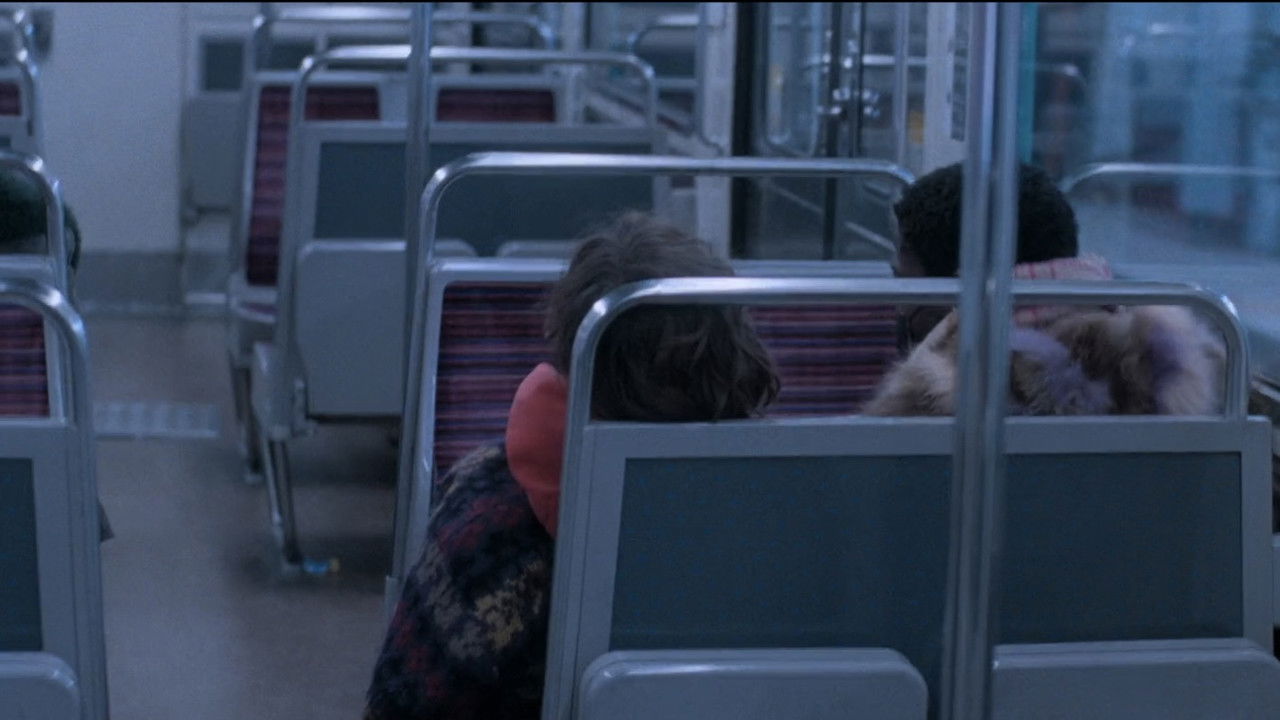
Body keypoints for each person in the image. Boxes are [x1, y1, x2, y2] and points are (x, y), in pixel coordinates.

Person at [363, 213, 780, 720]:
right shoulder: (782, 517)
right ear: (738, 358)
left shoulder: (488, 518)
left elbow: (404, 701)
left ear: (573, 350)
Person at [864, 162, 1224, 417]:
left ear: (955, 283)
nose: (900, 301)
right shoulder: (1177, 366)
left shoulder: (940, 389)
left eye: (906, 272)